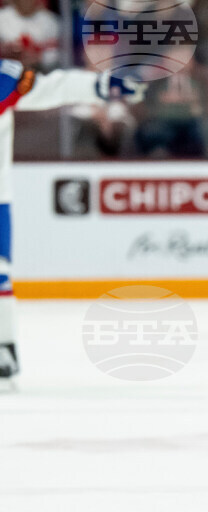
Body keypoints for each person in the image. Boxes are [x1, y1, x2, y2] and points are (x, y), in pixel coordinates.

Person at [0, 59, 145, 380]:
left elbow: (51, 87)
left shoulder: (4, 78)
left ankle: (4, 346)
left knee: (0, 271)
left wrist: (100, 86)